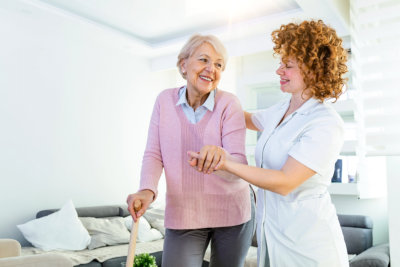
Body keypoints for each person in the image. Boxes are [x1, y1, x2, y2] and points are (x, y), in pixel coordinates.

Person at [188, 20, 349, 267]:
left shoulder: (325, 122)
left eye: (288, 66)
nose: (279, 71)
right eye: (280, 64)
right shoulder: (283, 108)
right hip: (272, 238)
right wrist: (211, 90)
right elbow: (248, 119)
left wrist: (226, 163)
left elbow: (285, 182)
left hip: (310, 248)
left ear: (314, 70)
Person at [126, 34, 255, 267]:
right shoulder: (164, 101)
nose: (211, 69)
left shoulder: (228, 103)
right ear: (184, 64)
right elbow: (154, 153)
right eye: (204, 60)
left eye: (218, 65)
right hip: (184, 212)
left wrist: (222, 159)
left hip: (233, 209)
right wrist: (147, 190)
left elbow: (239, 165)